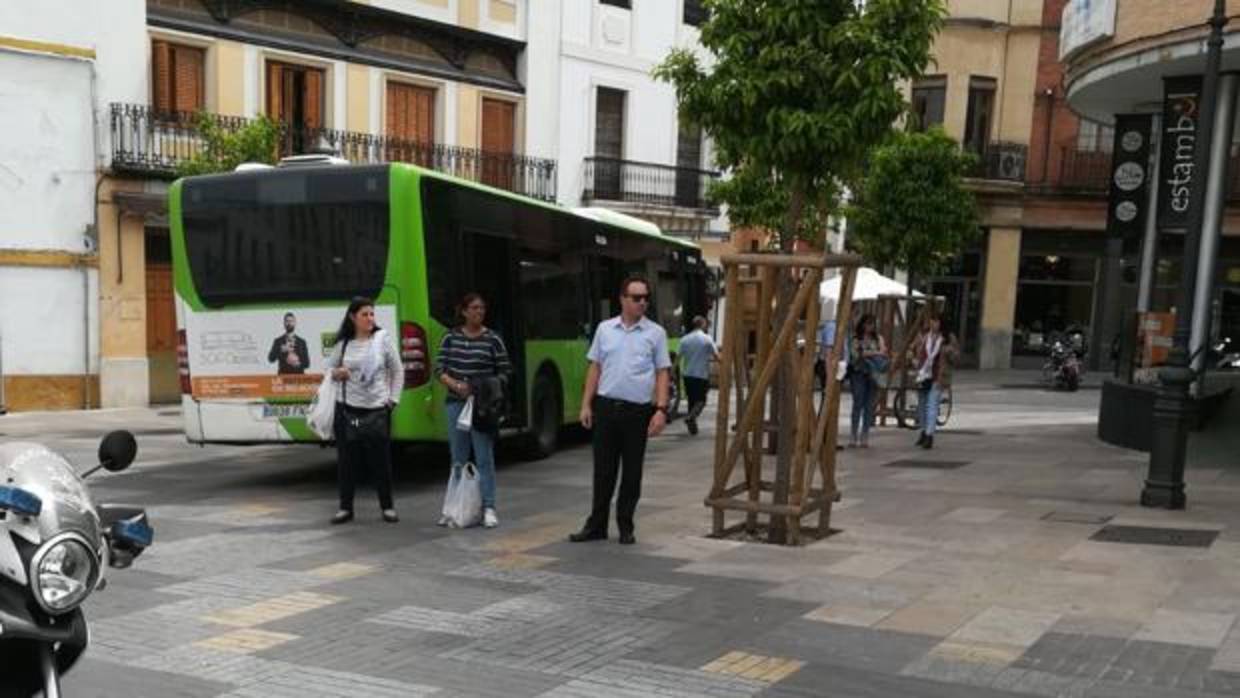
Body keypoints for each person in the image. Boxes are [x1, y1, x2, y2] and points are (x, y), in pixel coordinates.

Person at [570, 275, 671, 545]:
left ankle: (625, 525)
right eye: (636, 298)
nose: (642, 303)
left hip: (637, 411)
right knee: (603, 470)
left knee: (632, 471)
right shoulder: (605, 329)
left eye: (645, 298)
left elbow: (663, 373)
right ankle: (596, 525)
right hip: (605, 407)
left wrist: (661, 410)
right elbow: (595, 367)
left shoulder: (655, 333)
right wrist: (585, 404)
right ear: (622, 299)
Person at [435, 292, 512, 529]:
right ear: (464, 311)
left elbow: (505, 371)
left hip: (482, 406)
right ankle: (454, 507)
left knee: (483, 457)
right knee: (457, 458)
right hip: (456, 402)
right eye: (475, 308)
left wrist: (483, 386)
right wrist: (456, 385)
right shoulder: (450, 337)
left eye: (482, 308)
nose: (479, 312)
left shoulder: (493, 339)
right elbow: (439, 368)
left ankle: (488, 507)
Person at [325, 297, 403, 524]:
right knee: (347, 461)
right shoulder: (344, 343)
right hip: (348, 410)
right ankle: (345, 508)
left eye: (372, 314)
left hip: (377, 410)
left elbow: (397, 371)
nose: (370, 318)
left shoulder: (382, 339)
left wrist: (393, 400)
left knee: (380, 461)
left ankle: (387, 507)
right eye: (364, 314)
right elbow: (329, 369)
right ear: (353, 317)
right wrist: (337, 373)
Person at [911, 313, 956, 450]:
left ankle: (929, 435)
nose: (933, 324)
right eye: (931, 321)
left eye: (936, 321)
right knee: (922, 405)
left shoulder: (948, 338)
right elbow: (913, 350)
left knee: (932, 405)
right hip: (923, 374)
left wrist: (950, 351)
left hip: (938, 375)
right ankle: (924, 431)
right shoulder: (924, 336)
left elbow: (955, 357)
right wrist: (913, 359)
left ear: (941, 323)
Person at [847, 314, 887, 448]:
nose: (870, 327)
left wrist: (871, 352)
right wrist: (875, 352)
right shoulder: (855, 339)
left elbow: (883, 351)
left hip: (873, 375)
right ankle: (853, 435)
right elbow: (857, 354)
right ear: (862, 324)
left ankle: (865, 435)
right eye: (868, 323)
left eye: (872, 324)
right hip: (858, 373)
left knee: (869, 405)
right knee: (858, 402)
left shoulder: (878, 338)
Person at [678, 316, 718, 435]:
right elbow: (716, 355)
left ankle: (692, 428)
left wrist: (672, 371)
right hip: (701, 375)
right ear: (703, 324)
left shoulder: (684, 339)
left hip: (687, 375)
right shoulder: (707, 339)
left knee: (691, 400)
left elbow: (679, 357)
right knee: (701, 400)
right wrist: (724, 361)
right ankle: (691, 417)